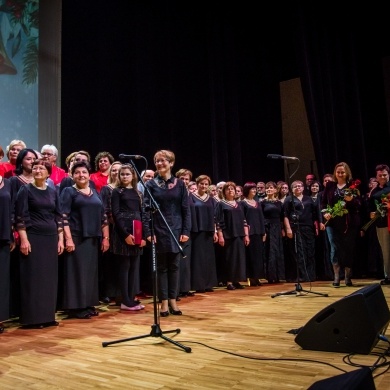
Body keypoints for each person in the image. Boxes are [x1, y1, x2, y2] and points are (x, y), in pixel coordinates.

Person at [14, 159, 64, 329]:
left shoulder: (53, 191)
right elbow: (20, 216)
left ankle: (47, 316)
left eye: (41, 168)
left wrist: (61, 239)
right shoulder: (25, 190)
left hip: (50, 238)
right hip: (33, 237)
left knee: (49, 278)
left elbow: (58, 216)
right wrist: (24, 239)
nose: (37, 170)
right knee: (34, 278)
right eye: (35, 167)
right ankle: (32, 318)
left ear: (48, 173)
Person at [60, 161, 110, 319]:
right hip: (76, 237)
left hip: (93, 238)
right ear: (72, 175)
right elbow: (63, 216)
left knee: (89, 274)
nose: (81, 175)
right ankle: (76, 307)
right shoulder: (69, 191)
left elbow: (103, 216)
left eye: (84, 172)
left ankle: (88, 304)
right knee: (76, 274)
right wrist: (68, 239)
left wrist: (106, 238)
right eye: (77, 172)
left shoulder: (94, 190)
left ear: (89, 174)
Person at [144, 150, 191, 317]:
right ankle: (163, 302)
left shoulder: (180, 184)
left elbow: (186, 209)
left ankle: (173, 299)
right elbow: (145, 210)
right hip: (158, 230)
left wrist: (186, 230)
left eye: (163, 161)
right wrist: (148, 232)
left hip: (176, 230)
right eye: (157, 161)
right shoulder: (150, 185)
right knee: (162, 268)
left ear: (171, 163)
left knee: (175, 266)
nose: (159, 164)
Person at [111, 164, 150, 311]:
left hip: (137, 230)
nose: (125, 177)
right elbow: (116, 214)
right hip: (123, 232)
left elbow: (143, 215)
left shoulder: (138, 193)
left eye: (127, 174)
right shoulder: (117, 192)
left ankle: (131, 297)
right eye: (122, 174)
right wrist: (126, 234)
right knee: (125, 266)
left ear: (133, 176)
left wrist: (144, 236)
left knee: (134, 266)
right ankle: (125, 300)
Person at [321, 162, 362, 287]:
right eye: (338, 172)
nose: (340, 174)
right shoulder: (330, 186)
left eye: (342, 172)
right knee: (334, 248)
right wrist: (326, 212)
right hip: (332, 223)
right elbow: (323, 203)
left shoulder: (352, 186)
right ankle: (337, 276)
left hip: (349, 222)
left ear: (347, 173)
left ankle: (348, 277)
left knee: (348, 248)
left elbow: (359, 204)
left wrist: (352, 200)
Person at [283, 180, 320, 282]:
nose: (298, 188)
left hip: (308, 228)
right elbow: (285, 215)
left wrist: (316, 226)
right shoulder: (289, 199)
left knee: (310, 251)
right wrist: (288, 229)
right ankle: (302, 275)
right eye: (295, 186)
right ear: (292, 189)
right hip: (296, 227)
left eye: (299, 186)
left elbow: (314, 214)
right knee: (300, 251)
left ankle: (311, 275)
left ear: (303, 188)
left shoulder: (308, 199)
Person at [215, 181, 250, 290]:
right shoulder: (221, 204)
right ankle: (229, 281)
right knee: (229, 258)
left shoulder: (239, 204)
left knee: (239, 258)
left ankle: (237, 280)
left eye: (232, 189)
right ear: (224, 192)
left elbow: (244, 220)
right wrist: (220, 235)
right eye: (228, 189)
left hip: (239, 234)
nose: (230, 191)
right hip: (228, 234)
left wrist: (246, 235)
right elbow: (218, 221)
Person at [189, 174, 218, 293]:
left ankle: (208, 284)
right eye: (202, 183)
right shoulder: (191, 197)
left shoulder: (211, 199)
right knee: (198, 259)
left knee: (208, 259)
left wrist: (215, 231)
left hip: (208, 231)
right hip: (197, 231)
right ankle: (199, 285)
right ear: (197, 184)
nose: (204, 186)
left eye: (206, 184)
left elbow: (214, 217)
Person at [99, 161, 122, 304]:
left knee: (121, 263)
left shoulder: (125, 189)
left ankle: (121, 293)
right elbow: (105, 211)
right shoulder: (106, 189)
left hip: (122, 230)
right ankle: (108, 292)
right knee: (109, 262)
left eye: (119, 170)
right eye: (113, 170)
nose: (116, 172)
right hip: (111, 228)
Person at [240, 182, 265, 286]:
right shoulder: (243, 203)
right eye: (252, 189)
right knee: (250, 256)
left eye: (255, 189)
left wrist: (263, 232)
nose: (255, 191)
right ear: (247, 190)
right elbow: (242, 219)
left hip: (258, 231)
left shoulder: (257, 203)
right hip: (249, 233)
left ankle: (257, 277)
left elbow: (261, 218)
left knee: (258, 256)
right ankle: (251, 277)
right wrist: (245, 233)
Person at [368, 164, 390, 285]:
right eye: (380, 175)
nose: (382, 177)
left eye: (385, 175)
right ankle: (388, 276)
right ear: (376, 176)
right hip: (381, 224)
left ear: (388, 175)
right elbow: (371, 207)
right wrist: (371, 214)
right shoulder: (374, 191)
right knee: (385, 251)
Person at [261, 181, 285, 283]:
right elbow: (261, 217)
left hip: (277, 227)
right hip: (267, 227)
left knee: (276, 250)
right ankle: (270, 276)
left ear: (275, 190)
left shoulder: (279, 203)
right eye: (267, 188)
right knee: (268, 250)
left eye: (271, 188)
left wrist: (283, 228)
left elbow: (282, 217)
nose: (269, 189)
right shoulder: (262, 202)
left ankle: (278, 275)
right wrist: (263, 231)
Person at [0, 174, 15, 333]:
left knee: (1, 280)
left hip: (3, 237)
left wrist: (11, 235)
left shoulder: (8, 183)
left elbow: (11, 210)